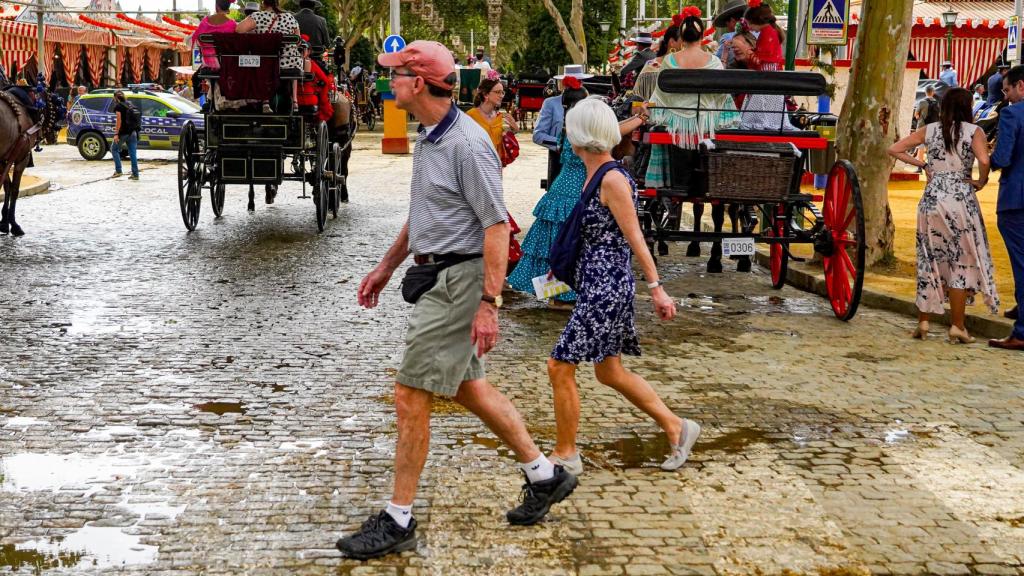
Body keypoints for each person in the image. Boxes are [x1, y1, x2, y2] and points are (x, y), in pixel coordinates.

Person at [337, 40, 577, 561]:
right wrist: (386, 266)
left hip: (457, 282)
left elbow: (496, 226)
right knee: (469, 388)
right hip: (438, 274)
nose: (389, 84)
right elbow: (426, 213)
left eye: (396, 75)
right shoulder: (431, 138)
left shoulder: (467, 144)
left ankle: (398, 518)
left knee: (410, 393)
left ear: (419, 83)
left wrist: (489, 302)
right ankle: (544, 474)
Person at [545, 97, 700, 476]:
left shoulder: (611, 179)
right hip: (597, 283)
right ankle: (677, 427)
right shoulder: (596, 173)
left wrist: (657, 287)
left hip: (607, 287)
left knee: (559, 365)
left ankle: (566, 453)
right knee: (609, 372)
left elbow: (635, 238)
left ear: (580, 136)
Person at [508, 85, 648, 307]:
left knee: (556, 244)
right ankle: (562, 296)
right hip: (574, 192)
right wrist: (640, 118)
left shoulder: (571, 126)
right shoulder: (583, 131)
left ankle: (556, 293)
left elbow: (611, 129)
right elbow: (612, 131)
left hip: (562, 189)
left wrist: (637, 118)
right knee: (570, 245)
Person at [887, 87, 999, 343]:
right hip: (960, 199)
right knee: (960, 262)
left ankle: (923, 323)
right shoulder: (974, 131)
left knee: (929, 259)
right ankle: (957, 326)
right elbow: (984, 160)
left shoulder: (930, 130)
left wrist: (924, 165)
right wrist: (980, 181)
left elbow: (895, 149)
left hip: (932, 199)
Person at [647, 7, 738, 187]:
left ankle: (678, 188)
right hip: (707, 126)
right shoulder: (714, 62)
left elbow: (660, 96)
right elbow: (722, 97)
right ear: (702, 35)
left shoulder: (669, 61)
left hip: (677, 128)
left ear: (681, 36)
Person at [988, 65, 1024, 350]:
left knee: (1021, 264)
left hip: (1016, 198)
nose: (1006, 95)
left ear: (1020, 86)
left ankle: (1022, 331)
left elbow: (1002, 158)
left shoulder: (1012, 114)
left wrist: (986, 158)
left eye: (1007, 89)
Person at [732, 0, 795, 131]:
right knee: (765, 122)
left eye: (749, 23)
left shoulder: (768, 33)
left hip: (766, 83)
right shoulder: (769, 32)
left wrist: (744, 48)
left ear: (757, 21)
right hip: (769, 82)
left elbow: (759, 61)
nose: (749, 27)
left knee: (758, 123)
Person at [236, 0, 303, 111]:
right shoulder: (290, 17)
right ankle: (295, 101)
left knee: (261, 61)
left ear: (264, 3)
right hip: (288, 63)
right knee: (293, 58)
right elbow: (298, 41)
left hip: (265, 63)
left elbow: (238, 30)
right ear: (277, 3)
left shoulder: (257, 16)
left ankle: (265, 100)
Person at [532, 65, 592, 152]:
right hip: (558, 157)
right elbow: (538, 135)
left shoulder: (590, 104)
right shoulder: (551, 103)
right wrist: (562, 145)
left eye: (579, 81)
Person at [631, 16, 683, 101]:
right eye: (684, 41)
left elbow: (638, 96)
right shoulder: (651, 64)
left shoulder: (650, 65)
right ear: (672, 42)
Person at [190, 0, 236, 96]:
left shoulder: (205, 22)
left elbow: (194, 39)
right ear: (228, 7)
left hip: (208, 65)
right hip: (226, 65)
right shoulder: (232, 24)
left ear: (217, 6)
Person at [110, 90, 139, 180]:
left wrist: (116, 134)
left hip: (123, 133)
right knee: (132, 153)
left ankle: (118, 170)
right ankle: (135, 174)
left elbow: (119, 120)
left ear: (115, 97)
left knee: (114, 149)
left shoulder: (118, 106)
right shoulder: (130, 104)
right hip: (133, 132)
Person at [293, 0, 329, 73]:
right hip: (316, 60)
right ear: (313, 7)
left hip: (295, 59)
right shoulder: (321, 20)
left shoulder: (292, 18)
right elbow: (327, 43)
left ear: (300, 6)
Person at [911, 86, 939, 171]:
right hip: (932, 127)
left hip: (922, 127)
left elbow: (916, 115)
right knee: (930, 147)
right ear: (933, 92)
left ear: (925, 92)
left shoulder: (922, 102)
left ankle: (919, 167)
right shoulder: (936, 102)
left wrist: (920, 117)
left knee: (921, 147)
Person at [712, 0, 747, 68]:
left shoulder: (727, 37)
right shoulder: (758, 33)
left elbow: (716, 62)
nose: (727, 26)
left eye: (726, 23)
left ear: (732, 21)